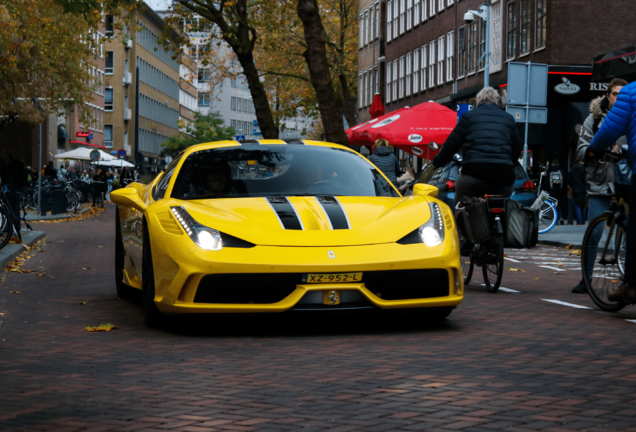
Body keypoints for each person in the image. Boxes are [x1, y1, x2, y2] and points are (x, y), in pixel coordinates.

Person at [572, 78, 628, 294]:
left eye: (623, 95)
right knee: (594, 232)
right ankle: (586, 278)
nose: (618, 98)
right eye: (615, 94)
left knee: (629, 231)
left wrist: (621, 152)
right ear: (607, 95)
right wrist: (599, 149)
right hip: (600, 181)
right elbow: (580, 152)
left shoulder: (631, 118)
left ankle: (628, 280)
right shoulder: (593, 120)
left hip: (626, 181)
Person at [586, 80, 636, 302]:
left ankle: (632, 285)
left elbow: (611, 129)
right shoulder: (592, 118)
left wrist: (593, 150)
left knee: (634, 225)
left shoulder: (631, 92)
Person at [432, 86, 522, 206]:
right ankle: (503, 221)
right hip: (503, 175)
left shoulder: (468, 117)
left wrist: (436, 163)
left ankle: (461, 220)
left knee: (460, 204)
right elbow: (517, 148)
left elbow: (451, 146)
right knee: (505, 203)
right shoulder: (508, 119)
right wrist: (510, 163)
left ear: (478, 101)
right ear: (496, 101)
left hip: (473, 173)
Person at [568, 157, 587, 225]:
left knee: (577, 206)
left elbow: (568, 180)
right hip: (583, 189)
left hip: (575, 189)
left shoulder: (572, 169)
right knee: (583, 206)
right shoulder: (584, 169)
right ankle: (583, 221)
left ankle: (579, 221)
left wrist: (573, 185)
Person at [545, 159, 566, 223]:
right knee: (559, 205)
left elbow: (546, 182)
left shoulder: (549, 171)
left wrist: (546, 189)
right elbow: (565, 182)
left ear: (551, 164)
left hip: (552, 191)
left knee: (553, 205)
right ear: (558, 164)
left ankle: (555, 220)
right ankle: (561, 218)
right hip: (560, 191)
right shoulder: (562, 171)